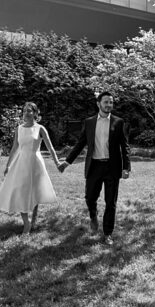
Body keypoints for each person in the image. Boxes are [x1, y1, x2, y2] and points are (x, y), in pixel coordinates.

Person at [57, 91, 131, 245]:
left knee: (111, 202)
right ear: (98, 104)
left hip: (112, 167)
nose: (109, 105)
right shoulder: (89, 122)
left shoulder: (119, 122)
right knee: (90, 198)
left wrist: (126, 167)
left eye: (111, 102)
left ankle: (108, 234)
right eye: (106, 102)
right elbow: (80, 144)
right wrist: (67, 162)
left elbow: (124, 147)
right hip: (94, 166)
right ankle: (93, 216)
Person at [0, 102, 60, 234]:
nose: (26, 113)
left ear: (35, 113)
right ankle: (27, 223)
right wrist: (8, 165)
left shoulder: (40, 129)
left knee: (34, 191)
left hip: (35, 164)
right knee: (21, 191)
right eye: (24, 111)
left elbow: (50, 148)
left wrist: (57, 163)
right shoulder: (19, 129)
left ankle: (33, 217)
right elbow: (14, 148)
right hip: (21, 163)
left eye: (29, 111)